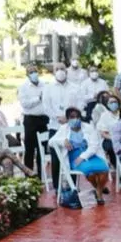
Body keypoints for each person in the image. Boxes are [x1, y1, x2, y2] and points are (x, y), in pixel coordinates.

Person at [49, 107, 109, 202]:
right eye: (72, 117)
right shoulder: (64, 128)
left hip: (89, 154)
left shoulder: (88, 127)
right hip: (74, 157)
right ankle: (99, 192)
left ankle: (98, 190)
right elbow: (51, 142)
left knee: (104, 168)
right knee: (89, 171)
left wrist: (83, 157)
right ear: (68, 119)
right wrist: (62, 141)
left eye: (77, 116)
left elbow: (94, 146)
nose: (75, 119)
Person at [43, 62, 79, 190]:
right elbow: (46, 106)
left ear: (67, 70)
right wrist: (57, 118)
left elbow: (79, 105)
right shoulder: (48, 88)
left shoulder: (74, 87)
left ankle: (72, 185)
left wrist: (68, 118)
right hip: (55, 126)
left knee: (72, 155)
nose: (60, 71)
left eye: (62, 69)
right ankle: (57, 186)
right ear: (53, 72)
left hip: (71, 127)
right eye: (57, 69)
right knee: (56, 157)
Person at [18, 64, 48, 177]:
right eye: (30, 72)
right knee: (29, 148)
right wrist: (38, 98)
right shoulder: (23, 87)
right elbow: (25, 104)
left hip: (43, 119)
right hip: (30, 119)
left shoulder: (44, 85)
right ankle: (29, 175)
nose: (33, 74)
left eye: (35, 71)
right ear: (27, 74)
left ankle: (41, 174)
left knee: (43, 148)